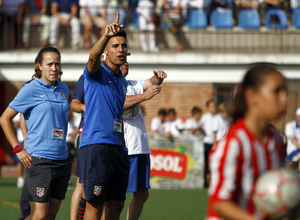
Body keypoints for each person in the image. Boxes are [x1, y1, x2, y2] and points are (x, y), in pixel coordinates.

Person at [205, 64, 287, 220]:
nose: (284, 99)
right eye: (277, 91)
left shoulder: (277, 140)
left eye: (285, 92)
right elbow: (219, 202)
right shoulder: (233, 143)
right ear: (252, 96)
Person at [0, 46, 71, 220]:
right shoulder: (30, 89)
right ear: (39, 66)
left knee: (51, 215)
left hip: (62, 160)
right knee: (39, 215)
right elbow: (4, 119)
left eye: (57, 64)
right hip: (39, 160)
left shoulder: (64, 89)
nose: (54, 68)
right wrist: (18, 149)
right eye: (49, 64)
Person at [78, 13, 129, 220]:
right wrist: (105, 35)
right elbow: (91, 58)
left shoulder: (121, 81)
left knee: (116, 205)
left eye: (123, 46)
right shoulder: (96, 73)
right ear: (105, 51)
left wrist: (123, 145)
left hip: (118, 148)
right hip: (97, 146)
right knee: (95, 206)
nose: (120, 50)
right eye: (115, 46)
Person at [121, 61, 167, 220]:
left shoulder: (132, 84)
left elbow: (151, 82)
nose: (125, 63)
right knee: (116, 197)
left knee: (142, 195)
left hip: (140, 147)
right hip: (126, 149)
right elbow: (120, 103)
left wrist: (158, 77)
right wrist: (143, 97)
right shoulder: (109, 86)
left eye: (126, 61)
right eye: (121, 61)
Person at [200, 99, 217, 187]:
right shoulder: (204, 117)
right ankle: (204, 181)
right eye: (212, 106)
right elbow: (200, 127)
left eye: (214, 106)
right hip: (206, 142)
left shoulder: (218, 116)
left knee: (214, 163)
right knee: (205, 163)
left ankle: (213, 181)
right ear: (208, 108)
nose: (214, 108)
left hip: (215, 143)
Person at [285, 107, 300, 174]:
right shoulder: (290, 125)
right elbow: (292, 140)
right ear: (296, 116)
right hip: (292, 151)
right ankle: (294, 160)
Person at [12, 113, 26, 189]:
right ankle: (20, 179)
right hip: (21, 139)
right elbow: (15, 125)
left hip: (31, 139)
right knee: (20, 160)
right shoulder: (18, 112)